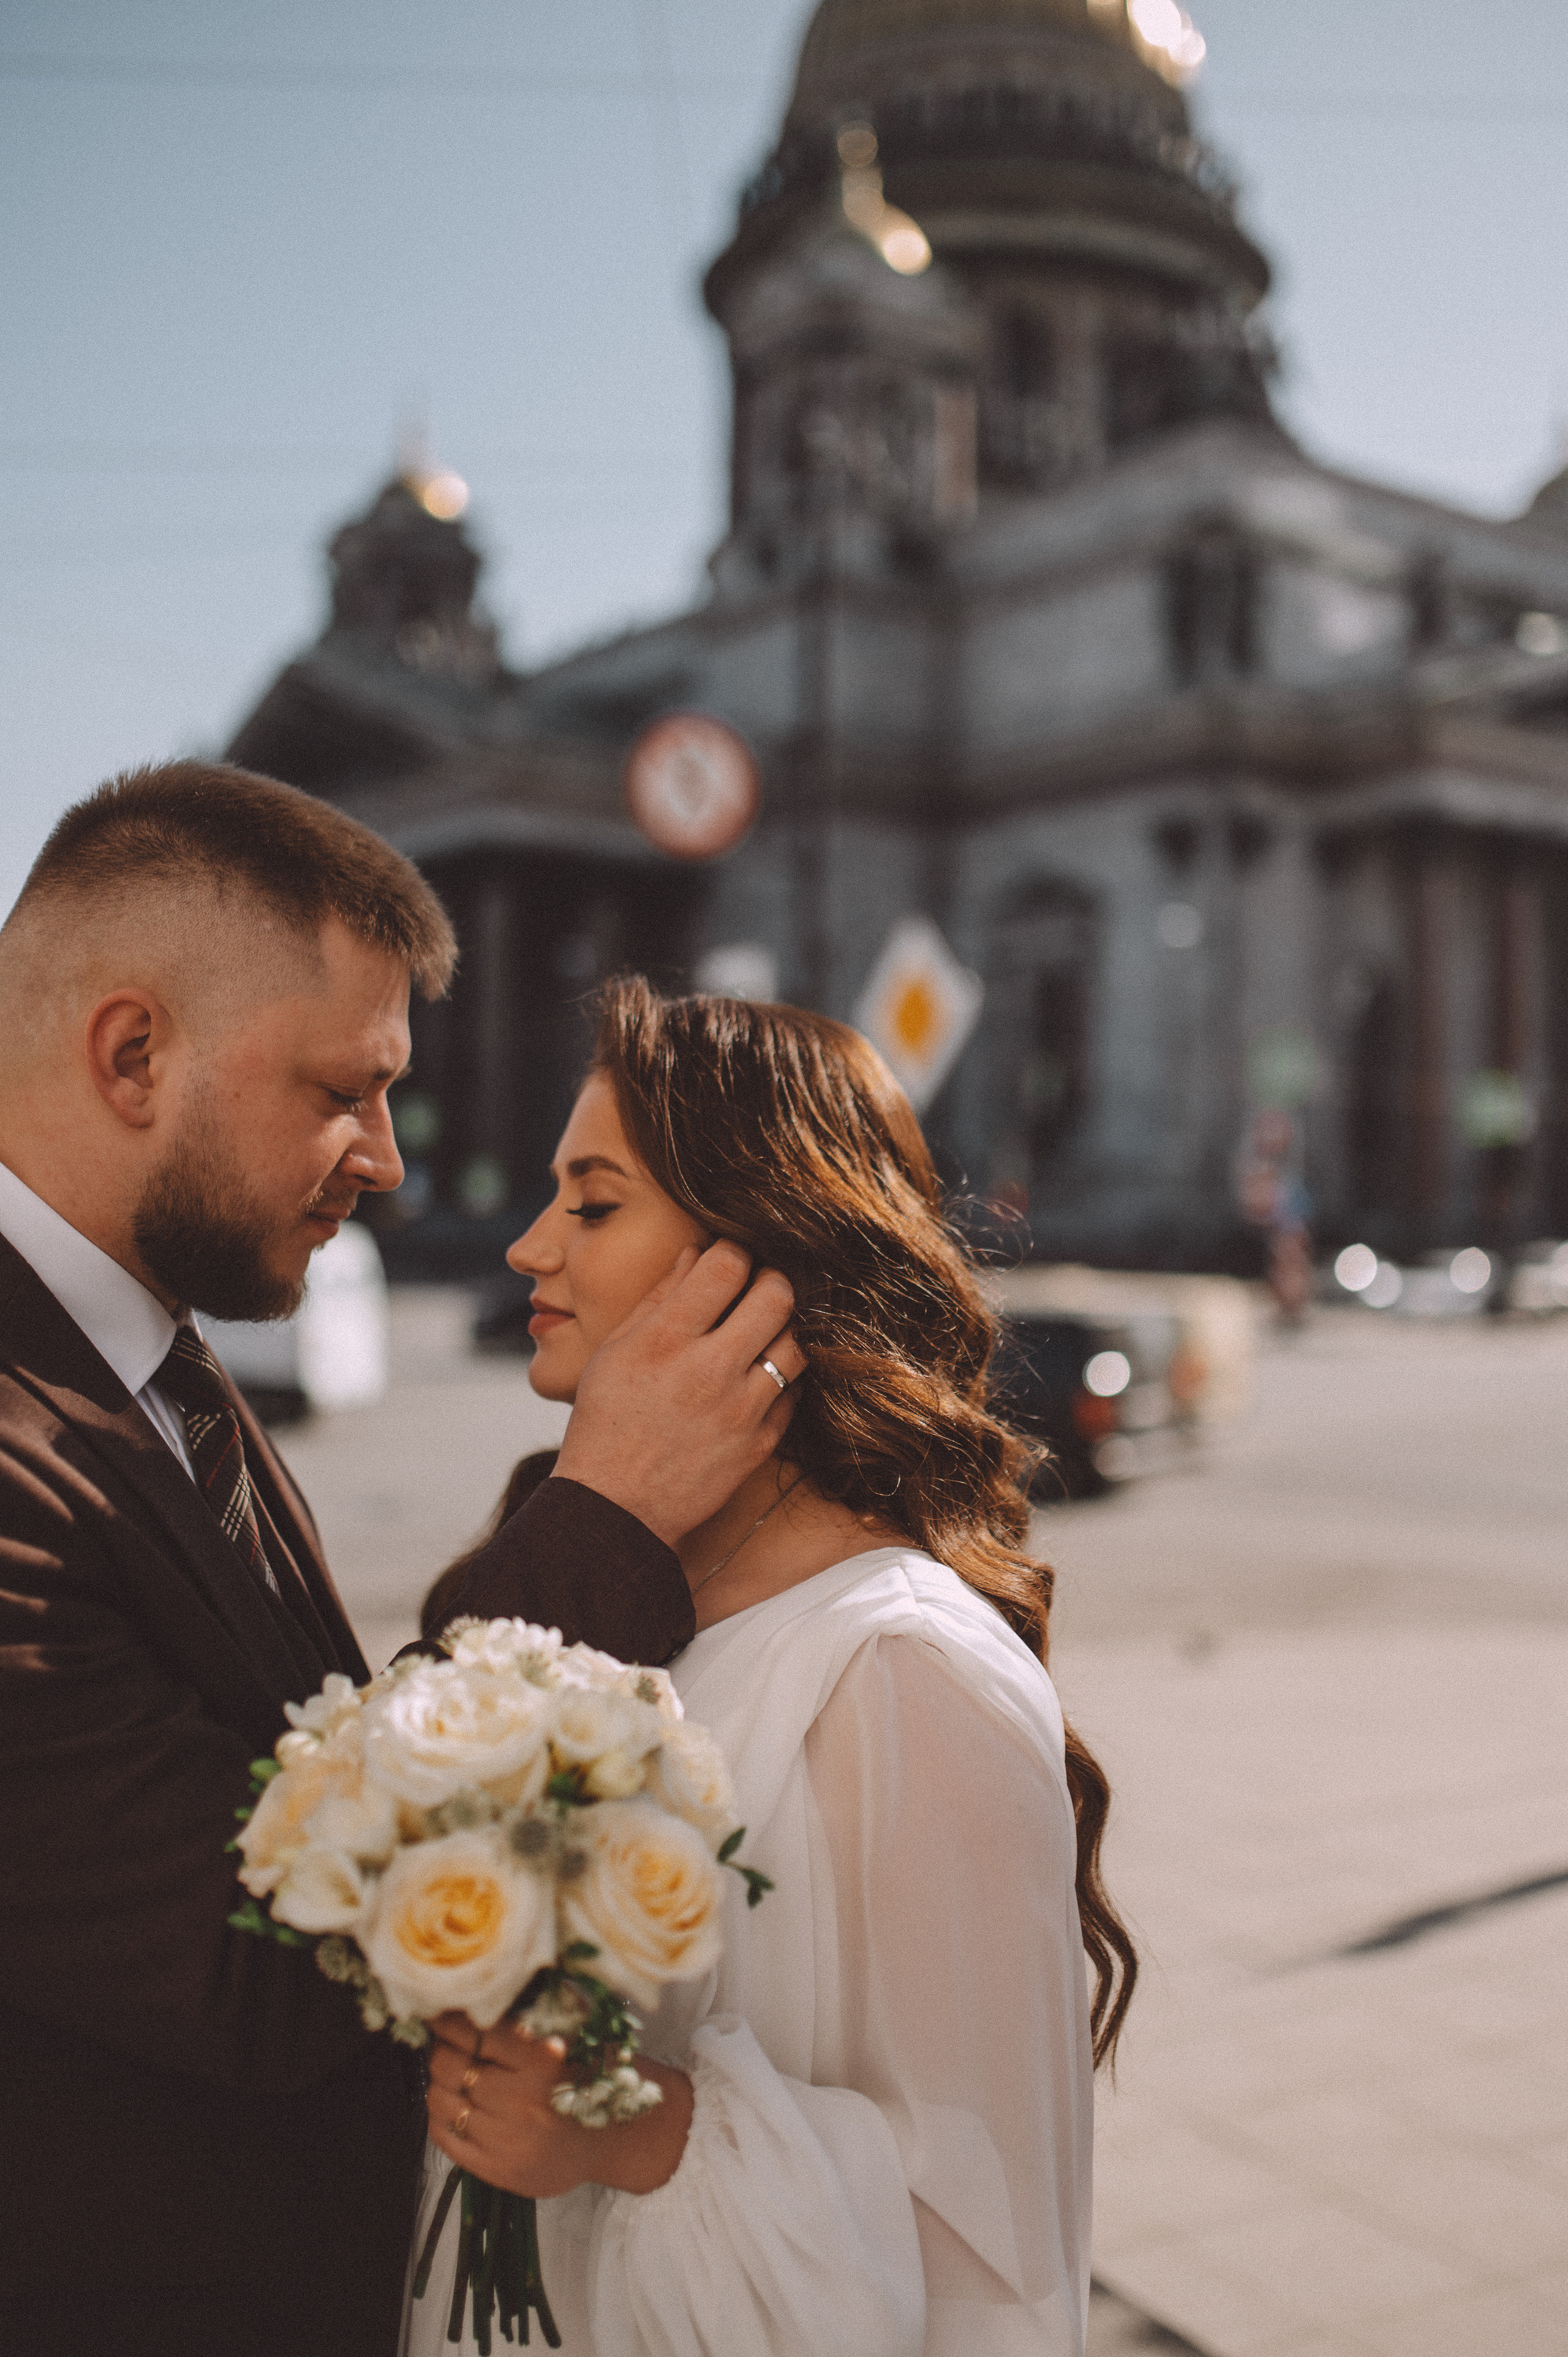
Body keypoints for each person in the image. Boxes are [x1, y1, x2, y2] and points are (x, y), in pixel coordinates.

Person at [0, 766, 802, 2357]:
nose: (386, 1157)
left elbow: (305, 1749)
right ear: (133, 1052)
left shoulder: (148, 1352)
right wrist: (604, 1520)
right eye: (338, 1091)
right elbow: (267, 1954)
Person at [409, 978, 1136, 2357]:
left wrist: (636, 2126)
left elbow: (999, 2264)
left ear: (751, 1258)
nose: (525, 1247)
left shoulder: (909, 1672)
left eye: (593, 1201)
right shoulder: (595, 1595)